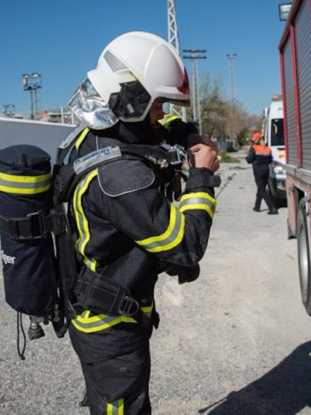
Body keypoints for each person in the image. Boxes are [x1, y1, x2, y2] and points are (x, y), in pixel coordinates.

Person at [62, 31, 220, 414]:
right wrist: (201, 177)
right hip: (110, 330)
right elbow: (185, 246)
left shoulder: (95, 135)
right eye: (158, 104)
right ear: (131, 100)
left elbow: (150, 132)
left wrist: (187, 133)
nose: (163, 115)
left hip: (99, 311)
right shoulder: (121, 178)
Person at [246, 132, 277, 215]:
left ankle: (272, 208)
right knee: (261, 188)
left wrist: (249, 153)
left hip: (258, 171)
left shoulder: (254, 148)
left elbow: (249, 160)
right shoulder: (267, 148)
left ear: (256, 140)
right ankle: (257, 206)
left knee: (262, 189)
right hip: (266, 170)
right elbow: (270, 160)